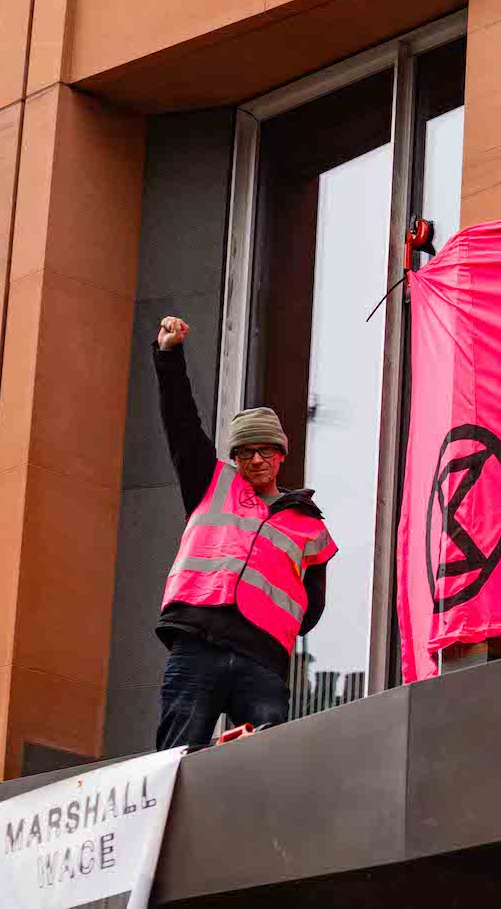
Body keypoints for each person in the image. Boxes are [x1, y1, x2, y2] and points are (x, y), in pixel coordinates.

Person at [152, 315, 337, 749]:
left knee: (268, 761)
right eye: (245, 452)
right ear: (234, 457)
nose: (256, 460)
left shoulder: (309, 525)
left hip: (263, 658)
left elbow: (312, 609)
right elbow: (181, 421)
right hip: (198, 641)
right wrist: (169, 355)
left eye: (265, 451)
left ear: (281, 456)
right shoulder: (210, 483)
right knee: (175, 756)